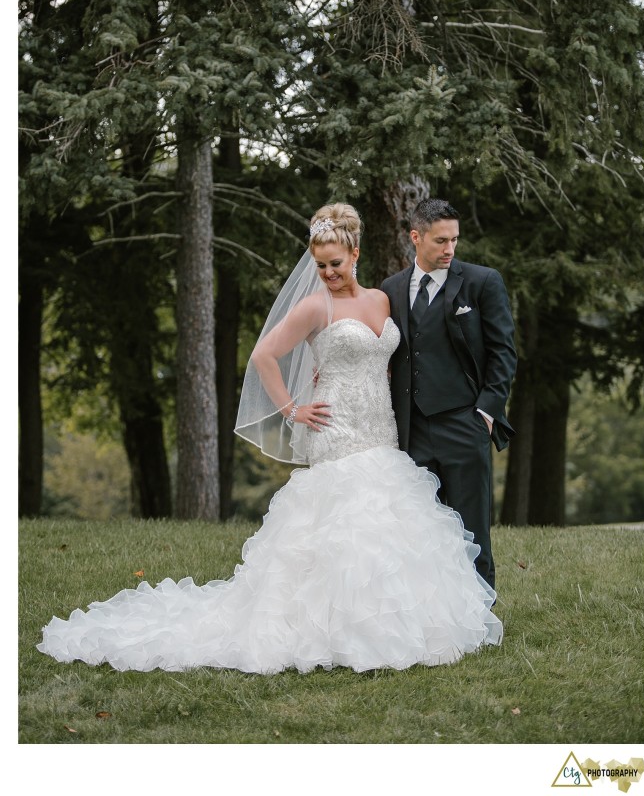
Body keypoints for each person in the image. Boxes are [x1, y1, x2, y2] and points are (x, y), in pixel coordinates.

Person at [37, 203, 501, 675]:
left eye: (336, 264)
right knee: (345, 520)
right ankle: (331, 628)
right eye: (319, 265)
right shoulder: (314, 304)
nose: (328, 274)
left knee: (389, 520)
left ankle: (404, 619)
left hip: (380, 427)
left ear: (355, 255)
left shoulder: (383, 299)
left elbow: (391, 359)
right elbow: (264, 355)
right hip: (335, 427)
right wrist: (293, 409)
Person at [381, 198, 517, 589]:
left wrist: (487, 413)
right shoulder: (390, 290)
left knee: (472, 526)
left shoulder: (481, 282)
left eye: (454, 240)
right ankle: (431, 610)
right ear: (415, 238)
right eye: (441, 241)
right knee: (420, 528)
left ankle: (481, 611)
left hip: (464, 422)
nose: (449, 249)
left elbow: (503, 352)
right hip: (411, 430)